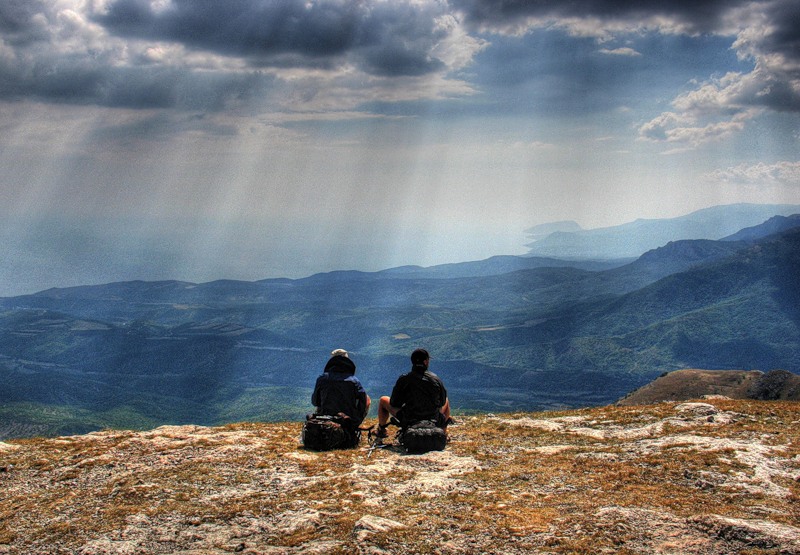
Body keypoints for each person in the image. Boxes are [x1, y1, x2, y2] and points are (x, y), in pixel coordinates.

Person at [376, 348, 451, 438]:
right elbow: (442, 402)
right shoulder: (435, 379)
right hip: (433, 419)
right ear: (426, 362)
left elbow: (394, 402)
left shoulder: (404, 379)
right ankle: (443, 432)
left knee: (383, 400)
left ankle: (381, 430)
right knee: (446, 400)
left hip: (409, 419)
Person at [311, 348, 371, 426]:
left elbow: (315, 401)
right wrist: (357, 417)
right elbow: (363, 400)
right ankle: (354, 426)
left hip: (325, 416)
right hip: (348, 418)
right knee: (367, 398)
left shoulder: (322, 378)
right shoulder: (353, 380)